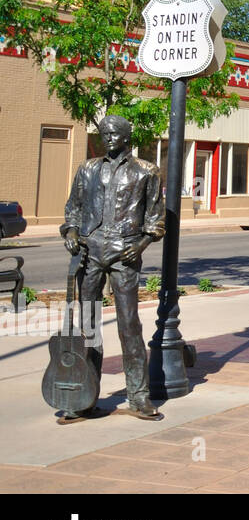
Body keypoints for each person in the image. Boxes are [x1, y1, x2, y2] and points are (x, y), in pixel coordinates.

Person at [60, 115, 165, 420]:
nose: (108, 138)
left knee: (129, 325)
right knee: (89, 326)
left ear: (127, 137)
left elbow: (156, 220)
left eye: (114, 133)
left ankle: (139, 396)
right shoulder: (88, 168)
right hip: (90, 252)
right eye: (104, 133)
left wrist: (141, 245)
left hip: (125, 253)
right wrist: (71, 233)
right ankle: (85, 395)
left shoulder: (146, 171)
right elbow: (74, 208)